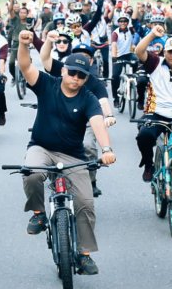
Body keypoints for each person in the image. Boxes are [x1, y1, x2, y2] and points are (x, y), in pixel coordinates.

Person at [16, 30, 116, 274]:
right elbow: (25, 65)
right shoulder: (46, 84)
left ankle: (84, 254)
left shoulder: (88, 97)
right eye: (72, 72)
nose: (76, 78)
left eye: (81, 76)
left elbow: (97, 122)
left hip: (73, 156)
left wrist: (106, 149)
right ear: (62, 71)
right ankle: (39, 213)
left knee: (85, 202)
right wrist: (22, 44)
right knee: (31, 173)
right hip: (41, 147)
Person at [41, 32, 116, 197]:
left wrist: (109, 116)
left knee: (88, 145)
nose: (76, 77)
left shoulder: (94, 83)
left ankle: (91, 181)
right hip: (59, 116)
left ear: (91, 61)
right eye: (78, 55)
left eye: (86, 57)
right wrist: (48, 41)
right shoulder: (63, 69)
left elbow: (103, 101)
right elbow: (45, 60)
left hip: (85, 120)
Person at [134, 25, 172, 182]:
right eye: (170, 52)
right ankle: (148, 163)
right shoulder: (155, 63)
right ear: (164, 52)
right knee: (143, 136)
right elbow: (139, 51)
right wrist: (152, 34)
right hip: (156, 113)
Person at [110, 13, 136, 107]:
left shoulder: (131, 30)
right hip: (118, 56)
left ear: (127, 22)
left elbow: (136, 37)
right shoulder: (115, 33)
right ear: (118, 23)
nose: (123, 23)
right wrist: (114, 57)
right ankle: (115, 99)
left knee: (137, 61)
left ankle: (135, 83)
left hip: (129, 54)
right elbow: (113, 45)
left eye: (125, 21)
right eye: (121, 21)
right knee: (115, 76)